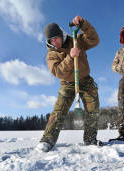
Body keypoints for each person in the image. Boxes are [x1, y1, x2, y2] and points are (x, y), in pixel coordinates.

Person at [37, 16, 100, 152]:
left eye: (56, 38)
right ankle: (47, 139)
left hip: (85, 80)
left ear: (61, 35)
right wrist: (70, 57)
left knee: (93, 109)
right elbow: (58, 71)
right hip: (67, 83)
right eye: (51, 40)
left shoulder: (76, 41)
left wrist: (83, 24)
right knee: (59, 110)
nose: (55, 42)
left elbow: (94, 40)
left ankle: (90, 140)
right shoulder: (51, 54)